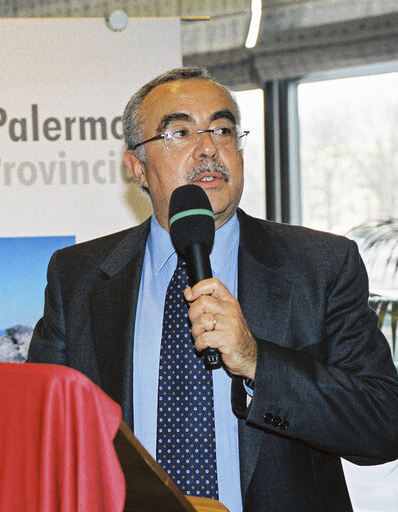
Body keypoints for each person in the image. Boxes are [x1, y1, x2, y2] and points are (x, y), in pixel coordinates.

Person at [27, 67, 398, 512]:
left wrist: (257, 361)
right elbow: (40, 432)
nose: (208, 148)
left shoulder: (319, 266)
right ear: (136, 167)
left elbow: (384, 425)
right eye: (179, 133)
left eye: (222, 130)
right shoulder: (78, 276)